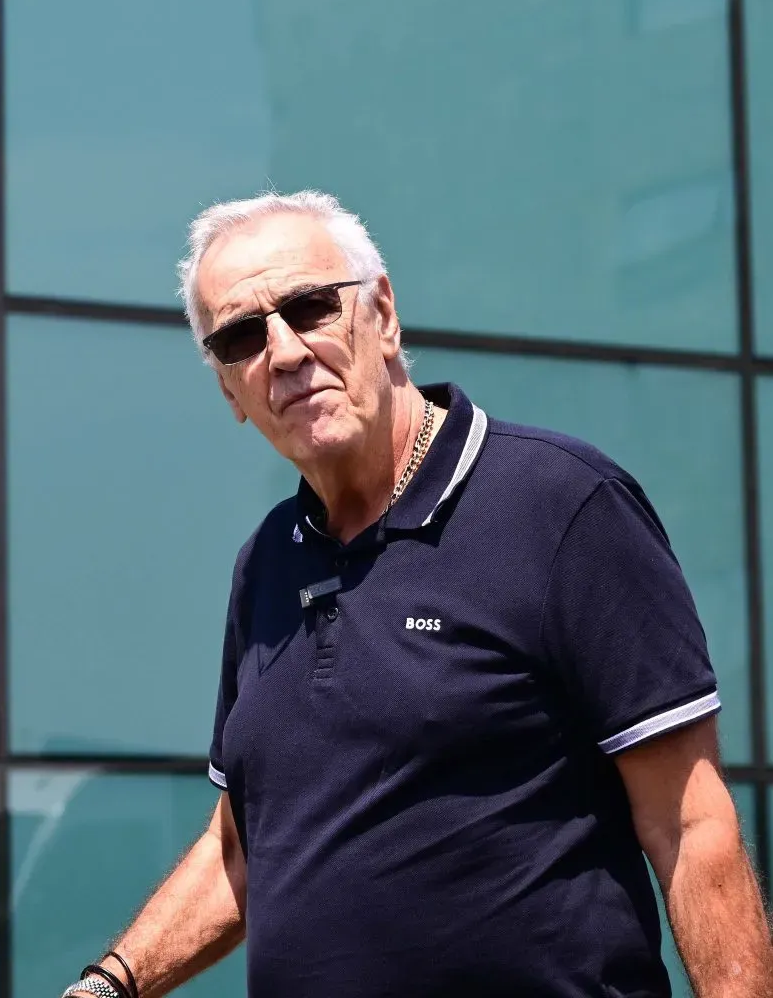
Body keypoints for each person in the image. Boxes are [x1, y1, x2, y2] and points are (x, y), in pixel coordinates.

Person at [62, 191, 772, 998]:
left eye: (309, 307)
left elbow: (688, 824)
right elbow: (244, 848)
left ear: (384, 314)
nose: (286, 352)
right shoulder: (264, 564)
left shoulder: (560, 505)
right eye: (241, 336)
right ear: (231, 391)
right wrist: (109, 986)